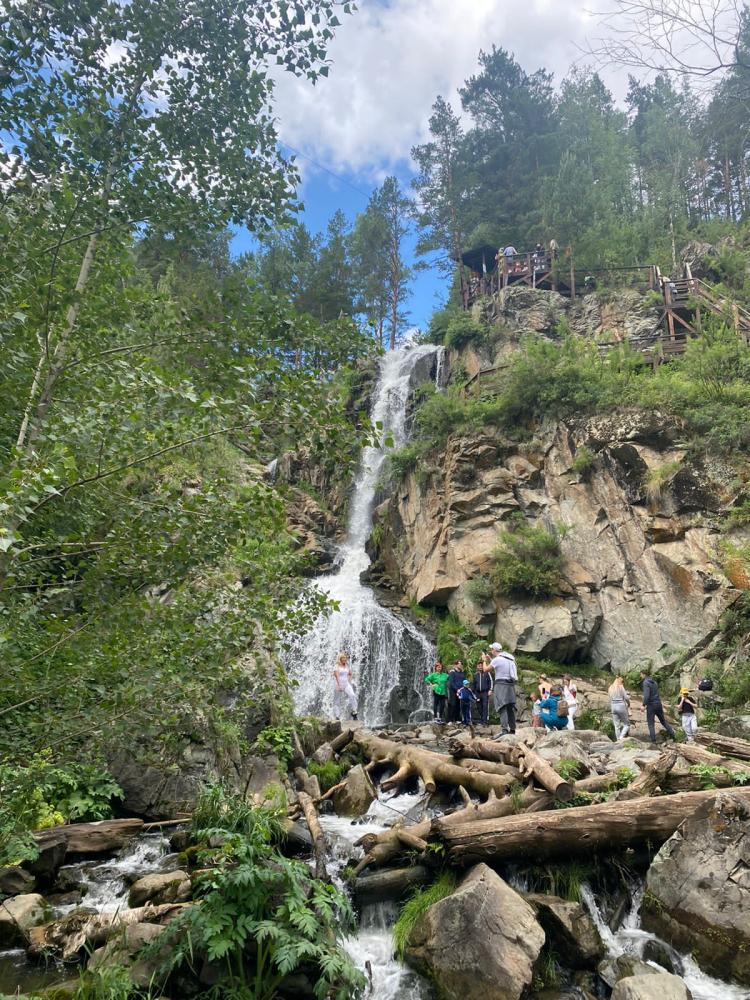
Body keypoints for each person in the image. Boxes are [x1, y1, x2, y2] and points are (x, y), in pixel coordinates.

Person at [489, 642, 517, 735]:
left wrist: (484, 660)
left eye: (491, 649)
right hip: (510, 685)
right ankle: (512, 729)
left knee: (502, 706)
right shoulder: (509, 658)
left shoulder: (497, 660)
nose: (490, 651)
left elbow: (485, 669)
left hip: (501, 685)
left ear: (494, 650)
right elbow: (499, 666)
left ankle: (504, 730)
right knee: (510, 707)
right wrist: (491, 660)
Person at [640, 669, 675, 743]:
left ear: (644, 674)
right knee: (663, 721)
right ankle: (673, 735)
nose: (640, 676)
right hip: (658, 703)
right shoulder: (655, 682)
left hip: (651, 705)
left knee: (651, 723)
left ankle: (653, 741)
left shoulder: (646, 682)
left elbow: (646, 695)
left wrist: (643, 705)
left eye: (641, 674)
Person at [333, 652, 358, 721]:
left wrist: (349, 681)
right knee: (336, 701)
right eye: (343, 658)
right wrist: (338, 685)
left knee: (352, 695)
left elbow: (350, 673)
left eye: (345, 658)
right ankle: (337, 716)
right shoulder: (336, 666)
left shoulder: (346, 666)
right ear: (340, 659)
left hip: (346, 684)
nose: (345, 659)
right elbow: (337, 676)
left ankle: (354, 712)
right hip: (338, 684)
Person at [472, 660, 493, 725]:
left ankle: (485, 721)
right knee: (479, 706)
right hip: (478, 693)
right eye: (479, 666)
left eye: (481, 666)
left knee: (485, 706)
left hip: (485, 692)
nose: (480, 667)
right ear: (477, 667)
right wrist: (473, 693)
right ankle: (482, 719)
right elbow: (474, 684)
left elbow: (491, 681)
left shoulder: (487, 673)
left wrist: (490, 690)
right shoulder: (475, 675)